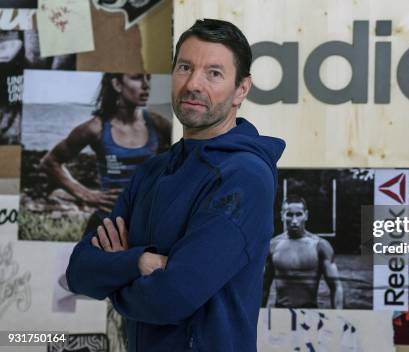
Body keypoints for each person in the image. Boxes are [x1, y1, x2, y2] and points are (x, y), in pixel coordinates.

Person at [65, 18, 285, 352]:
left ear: (241, 89)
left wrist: (114, 276)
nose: (193, 84)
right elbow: (80, 271)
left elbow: (171, 298)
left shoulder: (244, 177)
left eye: (214, 73)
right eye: (185, 67)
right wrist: (140, 262)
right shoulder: (152, 171)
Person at [40, 73, 171, 232]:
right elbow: (50, 162)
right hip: (106, 225)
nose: (146, 85)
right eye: (136, 77)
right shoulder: (96, 128)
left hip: (147, 226)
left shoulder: (158, 124)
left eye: (148, 78)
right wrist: (86, 194)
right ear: (117, 84)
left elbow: (190, 160)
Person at [262, 195, 344, 308]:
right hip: (280, 314)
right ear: (282, 216)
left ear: (306, 215)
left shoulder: (320, 246)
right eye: (289, 215)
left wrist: (338, 318)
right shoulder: (272, 246)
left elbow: (336, 287)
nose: (294, 220)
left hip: (310, 314)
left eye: (299, 214)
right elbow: (263, 288)